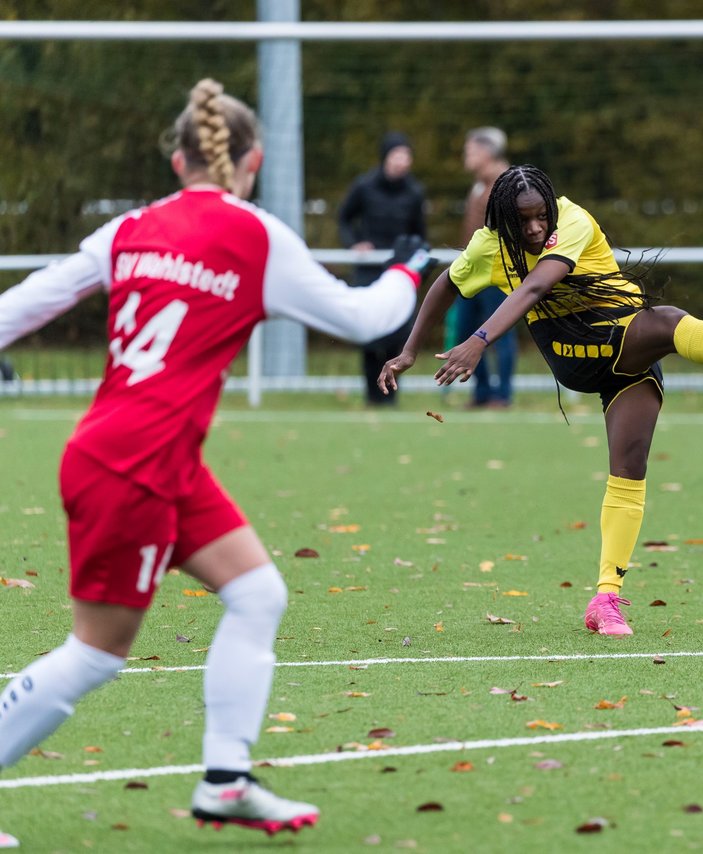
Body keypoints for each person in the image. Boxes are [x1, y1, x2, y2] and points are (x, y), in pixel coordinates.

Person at [0, 79, 426, 844]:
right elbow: (368, 319)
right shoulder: (256, 235)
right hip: (134, 464)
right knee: (95, 655)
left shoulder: (129, 227)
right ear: (252, 160)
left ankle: (226, 779)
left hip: (144, 455)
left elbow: (25, 303)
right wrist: (407, 266)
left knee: (258, 593)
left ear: (177, 160)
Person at [378, 165, 703, 636]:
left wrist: (480, 338)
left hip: (627, 350)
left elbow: (537, 284)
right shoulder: (490, 245)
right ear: (502, 221)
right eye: (523, 221)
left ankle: (606, 597)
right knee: (667, 320)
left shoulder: (572, 221)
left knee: (630, 467)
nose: (535, 228)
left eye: (540, 216)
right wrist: (410, 349)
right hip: (577, 354)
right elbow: (448, 282)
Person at [337, 131, 427, 406]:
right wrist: (354, 244)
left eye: (406, 156)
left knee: (397, 336)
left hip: (399, 274)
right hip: (369, 273)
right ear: (385, 158)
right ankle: (371, 396)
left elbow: (420, 235)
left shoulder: (414, 193)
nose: (402, 162)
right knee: (369, 334)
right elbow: (343, 217)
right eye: (397, 155)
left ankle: (391, 396)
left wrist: (415, 264)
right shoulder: (364, 187)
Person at [453, 126, 518, 408]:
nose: (466, 156)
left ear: (487, 152)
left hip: (497, 272)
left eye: (471, 151)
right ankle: (480, 392)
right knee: (464, 331)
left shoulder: (507, 183)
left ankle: (502, 395)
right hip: (472, 272)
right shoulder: (479, 184)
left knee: (499, 332)